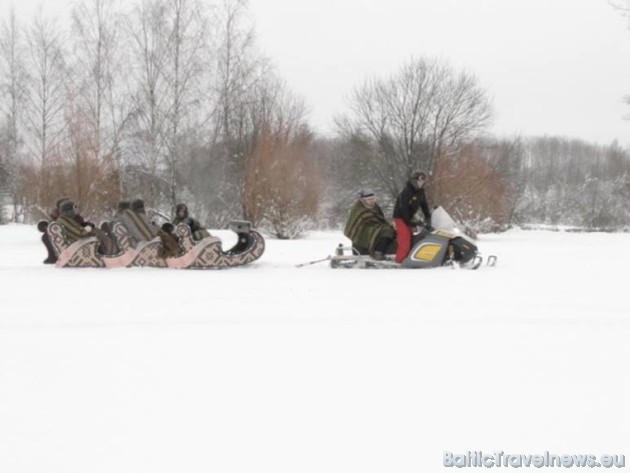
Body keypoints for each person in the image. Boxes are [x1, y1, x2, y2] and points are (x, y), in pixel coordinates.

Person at [343, 189, 395, 260]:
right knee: (386, 230)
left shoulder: (375, 206)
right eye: (369, 199)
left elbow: (379, 217)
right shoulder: (358, 207)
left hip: (375, 226)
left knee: (390, 229)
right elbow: (355, 222)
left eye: (373, 199)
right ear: (363, 200)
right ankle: (378, 252)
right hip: (362, 228)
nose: (371, 201)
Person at [393, 170, 432, 264]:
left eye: (423, 181)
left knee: (413, 240)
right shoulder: (407, 191)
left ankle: (408, 258)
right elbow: (403, 208)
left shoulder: (420, 192)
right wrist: (410, 222)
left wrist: (428, 217)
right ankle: (399, 262)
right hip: (400, 218)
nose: (422, 183)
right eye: (420, 181)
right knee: (405, 240)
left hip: (409, 218)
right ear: (414, 181)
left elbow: (424, 205)